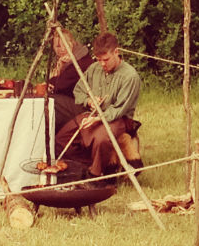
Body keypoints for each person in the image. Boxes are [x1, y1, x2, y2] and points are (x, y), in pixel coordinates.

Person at [53, 31, 141, 179]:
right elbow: (78, 90)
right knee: (62, 138)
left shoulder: (130, 76)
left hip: (118, 119)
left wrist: (98, 119)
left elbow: (119, 109)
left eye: (105, 60)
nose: (102, 64)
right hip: (92, 114)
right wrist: (89, 100)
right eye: (99, 59)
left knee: (100, 139)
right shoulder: (94, 68)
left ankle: (97, 175)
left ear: (116, 52)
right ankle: (86, 166)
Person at [46, 25, 94, 125]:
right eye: (58, 46)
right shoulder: (70, 60)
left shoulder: (79, 63)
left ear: (72, 43)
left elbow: (59, 86)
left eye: (65, 44)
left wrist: (59, 71)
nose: (62, 49)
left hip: (86, 107)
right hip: (75, 102)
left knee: (51, 100)